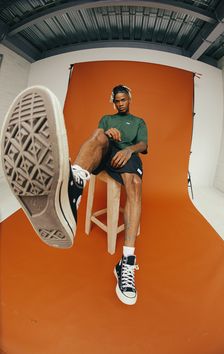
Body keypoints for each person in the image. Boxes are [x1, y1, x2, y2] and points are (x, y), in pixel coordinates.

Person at [1, 84, 148, 305]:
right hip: (107, 153)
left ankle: (126, 262)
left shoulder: (138, 122)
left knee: (134, 183)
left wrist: (129, 150)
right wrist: (108, 133)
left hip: (128, 156)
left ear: (130, 98)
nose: (120, 103)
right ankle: (73, 189)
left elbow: (143, 144)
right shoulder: (107, 118)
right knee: (98, 134)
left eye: (123, 99)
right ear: (113, 101)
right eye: (116, 100)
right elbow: (100, 139)